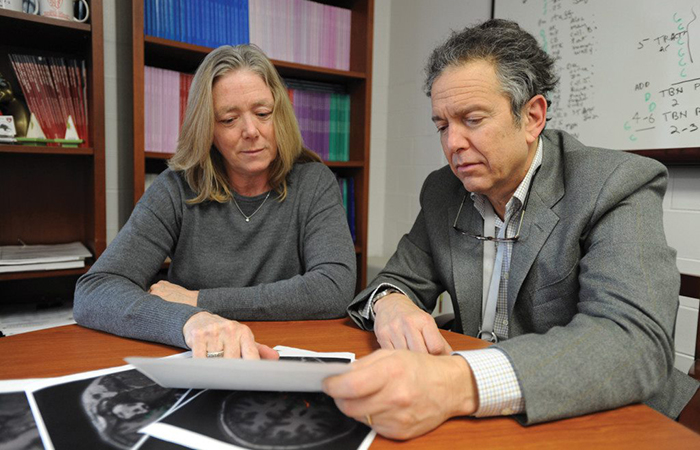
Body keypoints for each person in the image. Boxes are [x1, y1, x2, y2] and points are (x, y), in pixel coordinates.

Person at [322, 19, 700, 440]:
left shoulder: (614, 183)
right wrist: (392, 303)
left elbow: (633, 343)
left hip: (604, 416)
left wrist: (457, 381)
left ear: (532, 116)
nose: (453, 144)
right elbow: (397, 279)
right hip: (484, 419)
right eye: (442, 126)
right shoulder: (443, 190)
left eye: (472, 119)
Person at [74, 44, 356, 359]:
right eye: (228, 119)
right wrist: (189, 320)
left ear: (280, 114)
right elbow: (95, 291)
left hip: (285, 355)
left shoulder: (314, 181)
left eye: (263, 113)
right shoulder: (175, 189)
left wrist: (198, 300)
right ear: (208, 129)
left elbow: (334, 288)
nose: (251, 131)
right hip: (202, 355)